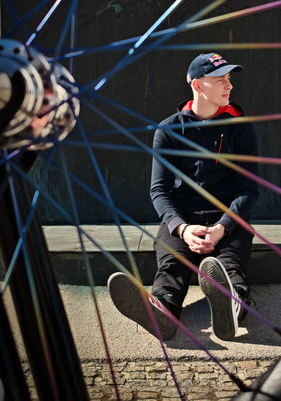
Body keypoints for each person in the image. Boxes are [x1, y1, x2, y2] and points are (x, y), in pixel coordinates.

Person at [108, 52, 259, 341]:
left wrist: (222, 227)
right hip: (182, 218)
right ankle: (161, 312)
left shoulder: (241, 128)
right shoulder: (168, 130)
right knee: (171, 269)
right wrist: (182, 228)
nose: (229, 86)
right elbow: (159, 190)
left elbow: (247, 190)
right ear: (198, 85)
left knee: (231, 268)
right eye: (221, 80)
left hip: (228, 219)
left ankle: (234, 305)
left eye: (229, 79)